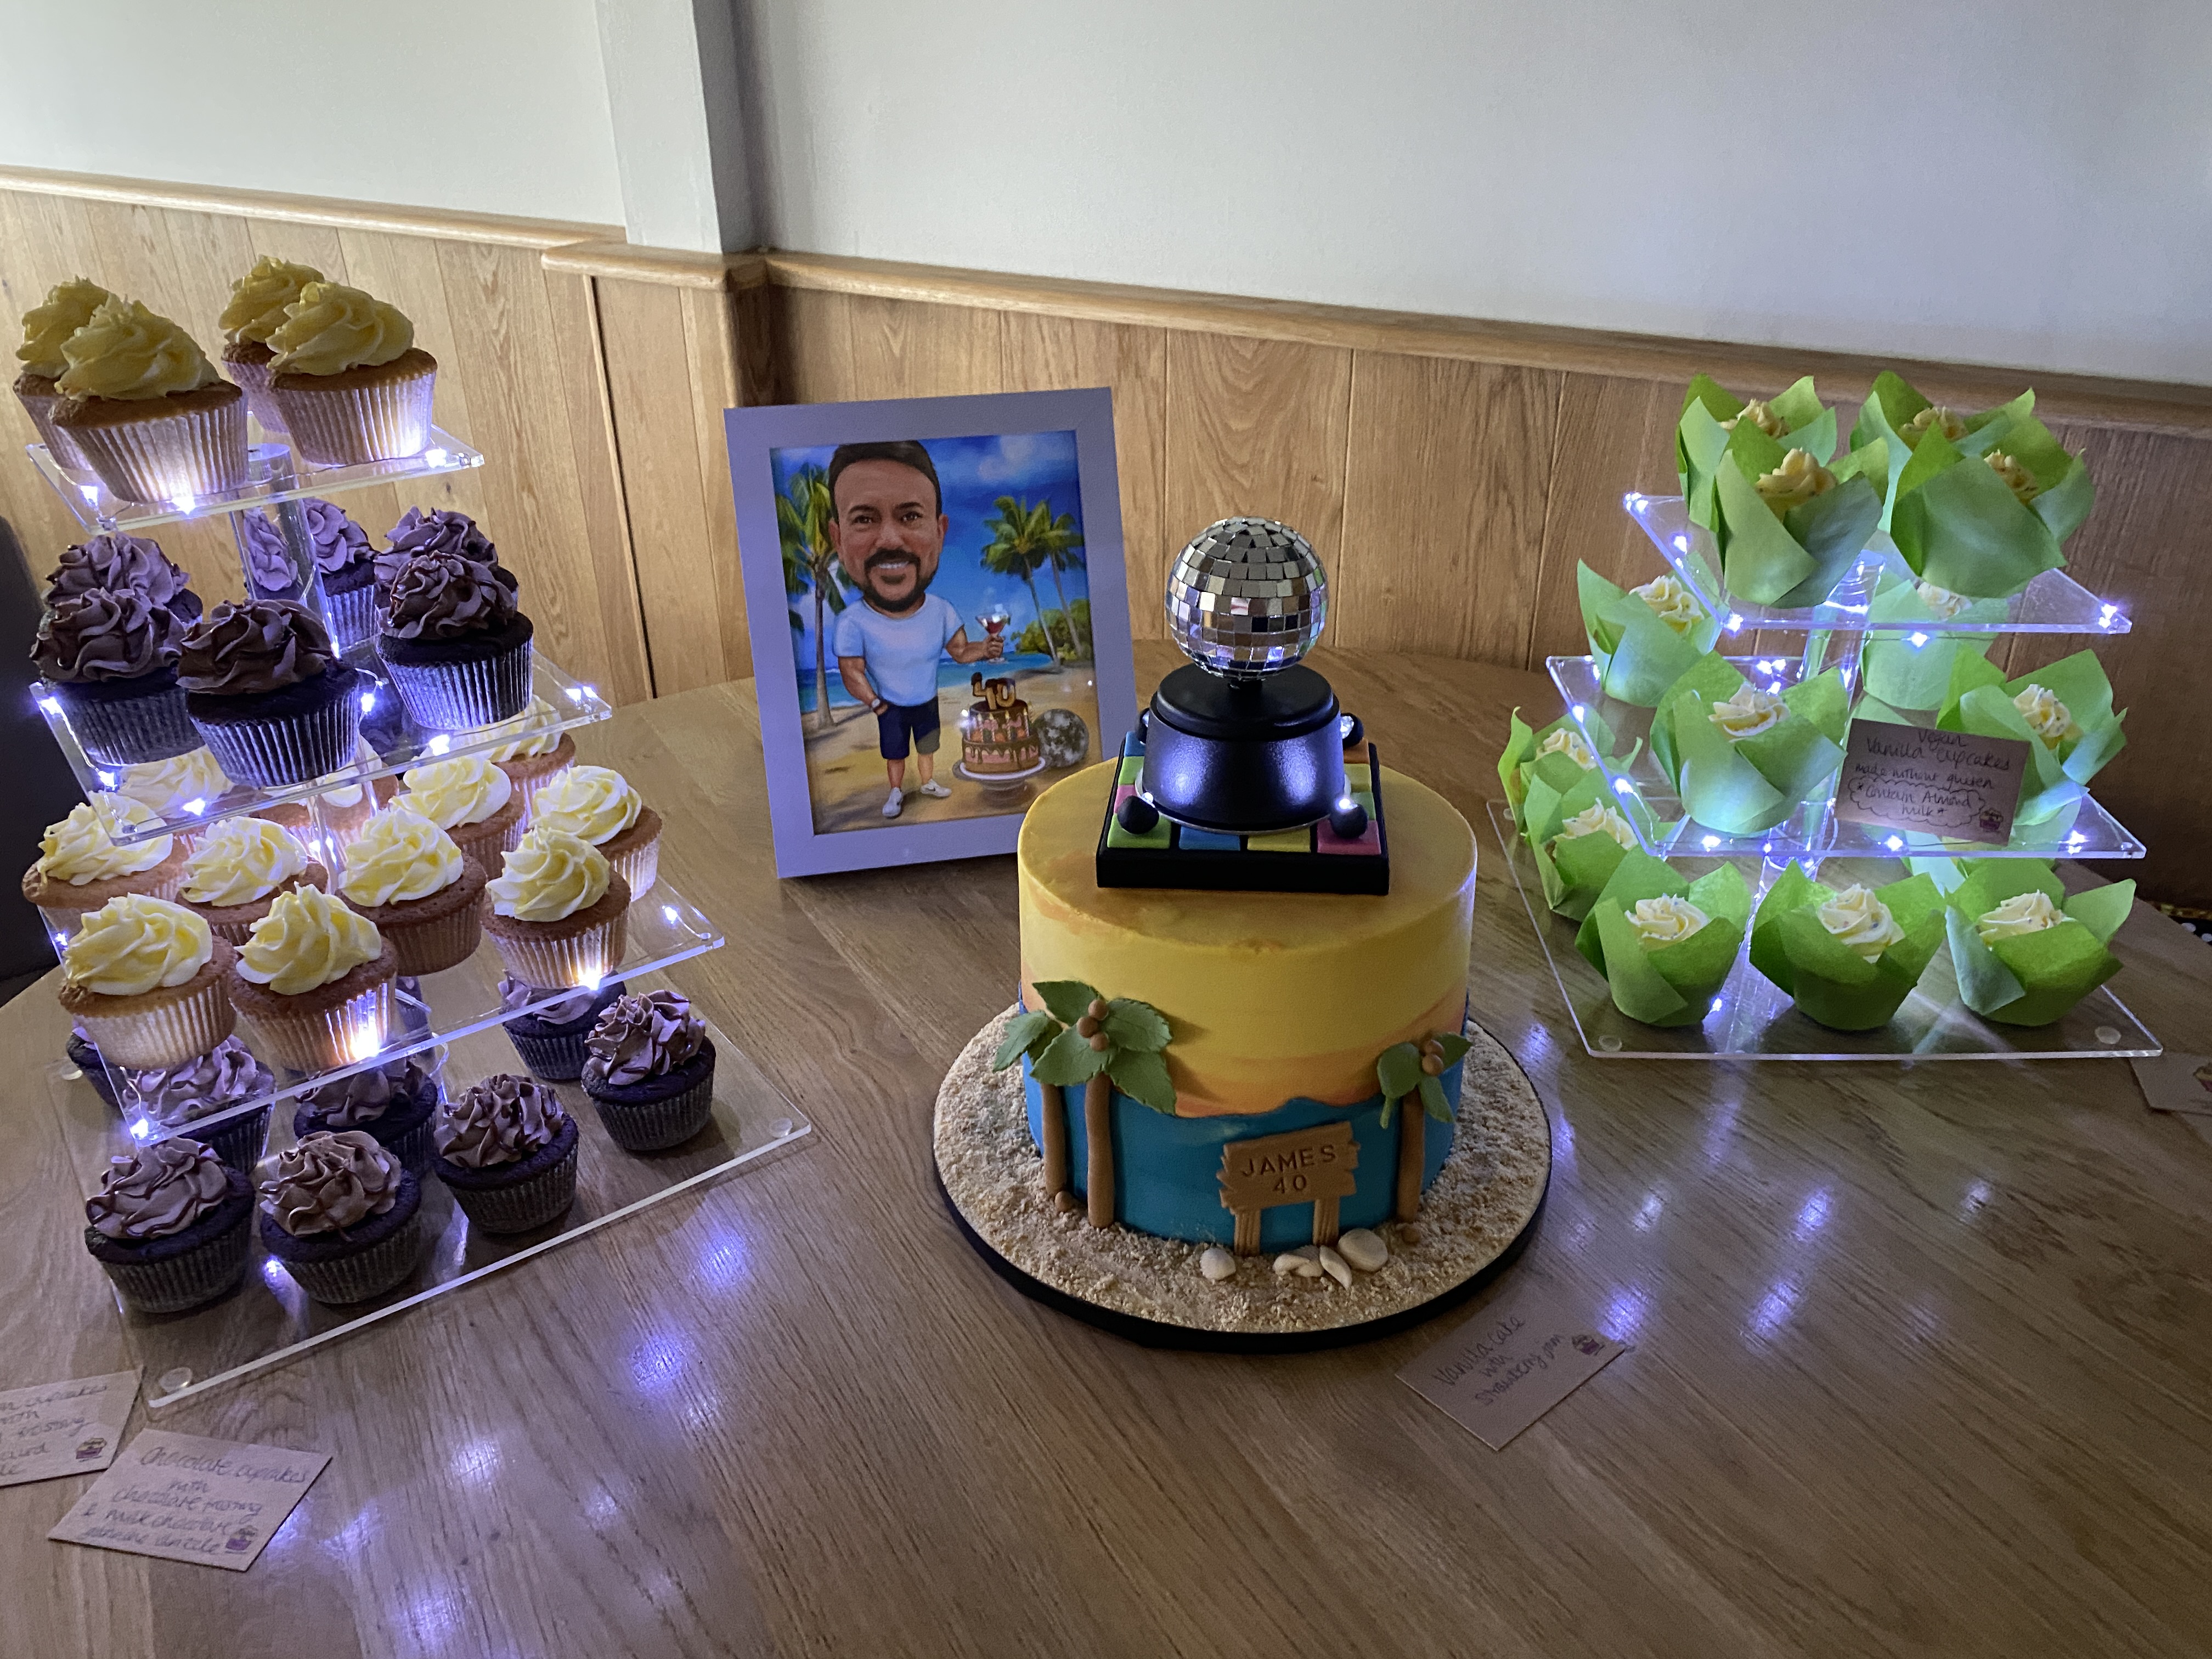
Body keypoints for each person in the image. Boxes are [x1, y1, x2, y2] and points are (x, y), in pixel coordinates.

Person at [827, 440, 1001, 819]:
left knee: (927, 747)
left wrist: (985, 649)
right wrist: (876, 704)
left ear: (940, 532)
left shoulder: (941, 611)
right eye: (865, 519)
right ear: (837, 539)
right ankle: (895, 792)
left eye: (910, 516)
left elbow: (960, 651)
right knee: (894, 753)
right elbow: (851, 671)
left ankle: (927, 783)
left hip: (926, 700)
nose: (890, 539)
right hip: (889, 705)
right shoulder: (852, 622)